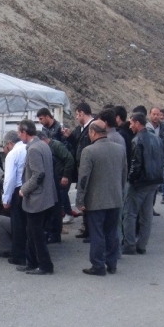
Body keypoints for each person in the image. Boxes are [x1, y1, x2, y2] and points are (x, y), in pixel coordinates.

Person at [76, 120, 127, 276]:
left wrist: (80, 200)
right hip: (115, 198)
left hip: (96, 200)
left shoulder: (89, 151)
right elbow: (124, 174)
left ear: (93, 133)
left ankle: (98, 265)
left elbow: (83, 178)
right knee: (111, 232)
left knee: (97, 234)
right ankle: (112, 264)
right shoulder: (120, 149)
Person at [16, 120, 56, 275]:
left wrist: (24, 190)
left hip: (37, 199)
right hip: (46, 197)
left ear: (25, 132)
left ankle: (45, 266)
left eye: (19, 133)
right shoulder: (43, 145)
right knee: (32, 232)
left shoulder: (33, 149)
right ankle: (31, 262)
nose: (19, 135)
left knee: (36, 234)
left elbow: (38, 174)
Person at [122, 113, 164, 255]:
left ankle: (129, 245)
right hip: (154, 181)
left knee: (130, 214)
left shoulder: (137, 140)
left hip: (140, 183)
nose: (130, 126)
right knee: (146, 215)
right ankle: (142, 245)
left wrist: (131, 179)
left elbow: (136, 163)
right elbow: (161, 160)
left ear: (137, 123)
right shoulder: (156, 138)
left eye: (131, 123)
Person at [62, 102, 95, 241]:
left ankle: (91, 230)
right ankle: (87, 228)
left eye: (77, 114)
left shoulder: (92, 127)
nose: (76, 117)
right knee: (85, 200)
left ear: (82, 113)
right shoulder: (82, 129)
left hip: (88, 169)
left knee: (89, 200)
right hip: (82, 168)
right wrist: (70, 137)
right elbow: (79, 145)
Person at [37, 130, 75, 232]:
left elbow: (69, 159)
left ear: (43, 139)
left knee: (61, 197)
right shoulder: (47, 147)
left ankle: (67, 214)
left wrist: (65, 176)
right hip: (56, 177)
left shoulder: (56, 146)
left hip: (62, 176)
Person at [1, 130, 28, 266]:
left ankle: (19, 256)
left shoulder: (13, 154)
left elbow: (9, 179)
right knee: (29, 224)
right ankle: (30, 254)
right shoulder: (29, 148)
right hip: (31, 189)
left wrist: (6, 200)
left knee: (17, 225)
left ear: (9, 143)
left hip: (18, 191)